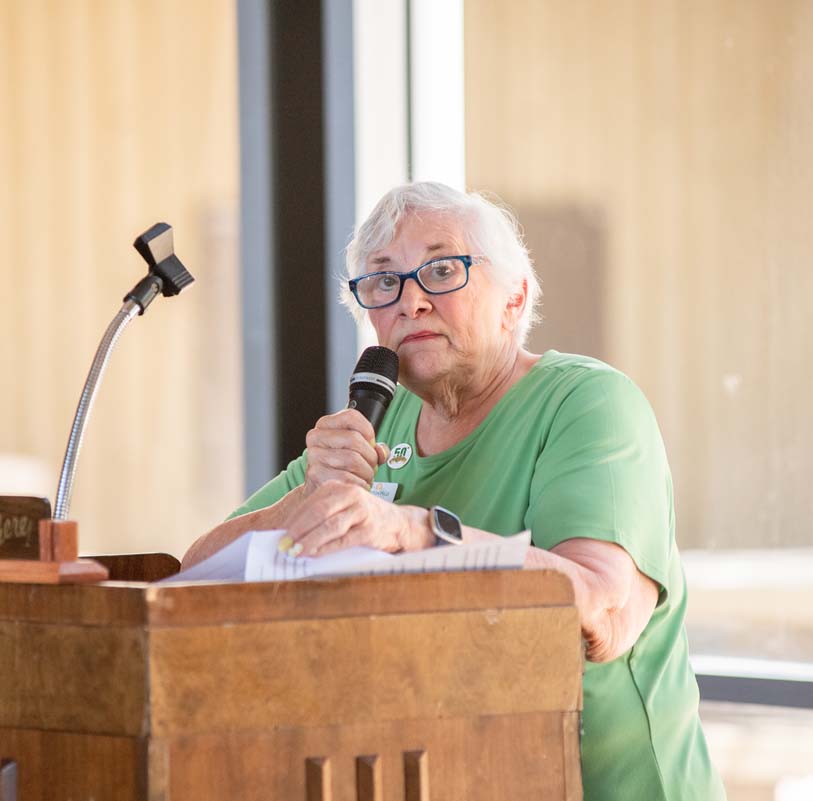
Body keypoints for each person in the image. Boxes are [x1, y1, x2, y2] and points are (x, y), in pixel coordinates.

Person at [183, 181, 725, 801]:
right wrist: (304, 496)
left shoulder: (587, 403)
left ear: (514, 299)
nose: (410, 301)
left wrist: (414, 532)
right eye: (383, 282)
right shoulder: (371, 425)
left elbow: (603, 611)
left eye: (442, 270)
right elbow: (193, 576)